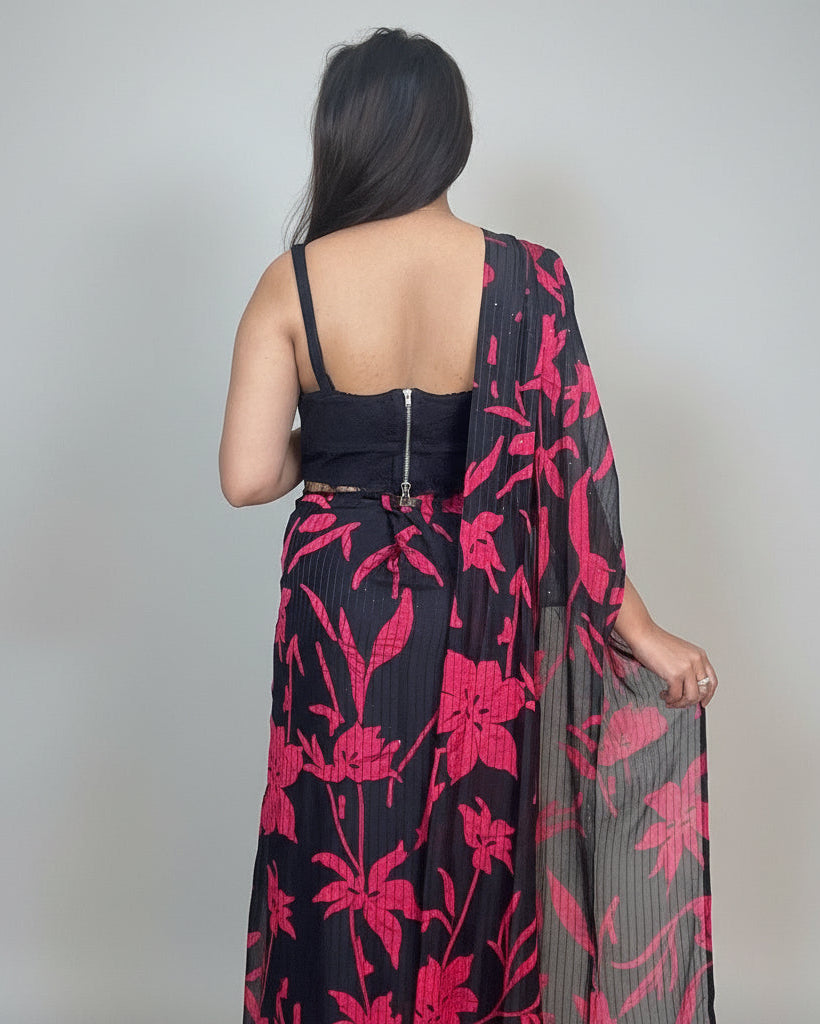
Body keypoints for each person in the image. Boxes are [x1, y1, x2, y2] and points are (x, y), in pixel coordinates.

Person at [219, 26, 719, 1024]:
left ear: (343, 136)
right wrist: (647, 633)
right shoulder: (530, 279)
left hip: (338, 598)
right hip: (479, 596)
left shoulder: (295, 279)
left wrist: (346, 440)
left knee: (343, 845)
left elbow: (247, 476)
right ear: (454, 137)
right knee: (470, 856)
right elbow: (571, 493)